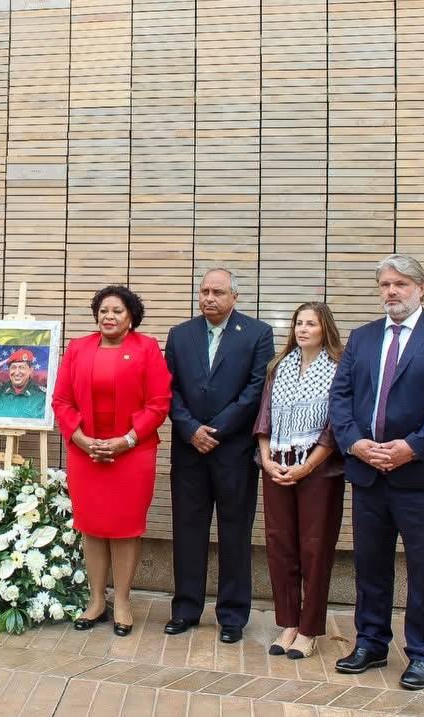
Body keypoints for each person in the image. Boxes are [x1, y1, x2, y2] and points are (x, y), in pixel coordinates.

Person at [330, 255, 424, 690]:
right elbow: (341, 397)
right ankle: (371, 642)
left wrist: (410, 447)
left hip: (423, 478)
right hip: (370, 473)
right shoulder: (363, 337)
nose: (391, 291)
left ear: (421, 288)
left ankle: (422, 653)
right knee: (371, 565)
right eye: (385, 284)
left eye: (401, 284)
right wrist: (355, 443)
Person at [52, 285, 171, 637]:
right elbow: (61, 400)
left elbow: (159, 402)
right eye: (103, 310)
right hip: (85, 453)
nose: (109, 316)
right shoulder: (78, 348)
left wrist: (127, 440)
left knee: (124, 529)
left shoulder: (147, 348)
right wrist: (80, 437)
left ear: (131, 317)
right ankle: (95, 601)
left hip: (132, 454)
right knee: (91, 527)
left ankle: (121, 600)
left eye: (117, 311)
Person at [164, 268, 273, 643]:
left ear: (234, 297)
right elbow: (170, 389)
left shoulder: (258, 334)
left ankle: (232, 615)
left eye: (218, 292)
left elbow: (256, 388)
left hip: (234, 452)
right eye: (204, 291)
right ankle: (186, 608)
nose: (209, 298)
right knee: (188, 530)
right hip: (189, 449)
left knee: (235, 531)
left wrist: (217, 430)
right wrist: (191, 428)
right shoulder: (180, 335)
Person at [253, 302, 345, 660]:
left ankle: (309, 629)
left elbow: (335, 427)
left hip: (319, 471)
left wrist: (308, 466)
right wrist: (266, 459)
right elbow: (264, 418)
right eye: (299, 323)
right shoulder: (279, 366)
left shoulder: (339, 368)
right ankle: (288, 622)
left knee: (315, 547)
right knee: (280, 545)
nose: (303, 329)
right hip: (277, 466)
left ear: (326, 330)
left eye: (311, 324)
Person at [0, 348, 47, 420]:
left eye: (22, 367)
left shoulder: (41, 397)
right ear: (9, 370)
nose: (17, 372)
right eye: (13, 367)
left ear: (30, 370)